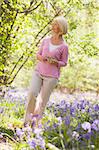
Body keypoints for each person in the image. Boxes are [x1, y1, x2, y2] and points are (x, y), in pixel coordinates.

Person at [24, 16, 69, 127]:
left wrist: (56, 62)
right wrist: (42, 58)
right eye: (53, 24)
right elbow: (37, 55)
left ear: (61, 28)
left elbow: (64, 62)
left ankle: (35, 124)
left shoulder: (64, 46)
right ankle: (27, 122)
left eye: (56, 25)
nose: (53, 26)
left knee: (42, 102)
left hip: (52, 77)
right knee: (32, 94)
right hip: (38, 72)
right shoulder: (45, 41)